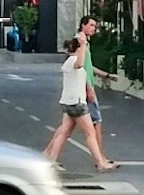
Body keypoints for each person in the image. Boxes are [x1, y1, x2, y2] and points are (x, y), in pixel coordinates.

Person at [43, 16, 118, 165]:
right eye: (91, 25)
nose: (93, 29)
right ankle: (100, 160)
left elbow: (87, 67)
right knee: (94, 125)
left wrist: (106, 75)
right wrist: (89, 88)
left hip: (76, 96)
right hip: (81, 95)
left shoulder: (83, 45)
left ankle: (49, 155)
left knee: (66, 129)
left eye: (95, 26)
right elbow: (80, 66)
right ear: (83, 25)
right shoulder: (80, 43)